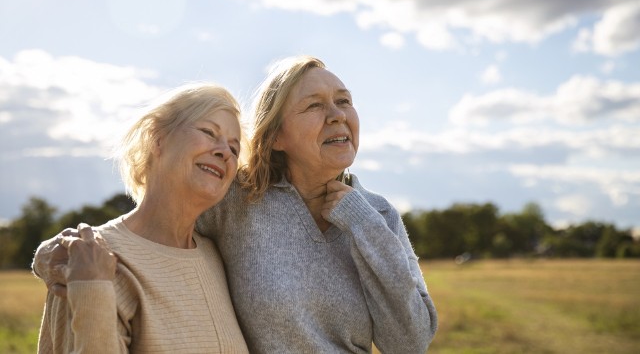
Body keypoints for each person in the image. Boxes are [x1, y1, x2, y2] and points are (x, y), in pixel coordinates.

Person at [34, 56, 438, 353]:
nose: (336, 115)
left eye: (344, 101)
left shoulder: (378, 214)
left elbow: (409, 342)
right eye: (315, 105)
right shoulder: (240, 200)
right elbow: (161, 214)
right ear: (276, 136)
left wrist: (363, 224)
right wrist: (56, 252)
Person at [35, 83, 249, 353]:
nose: (224, 152)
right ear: (157, 139)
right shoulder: (89, 257)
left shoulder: (220, 257)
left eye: (234, 148)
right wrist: (90, 288)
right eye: (209, 132)